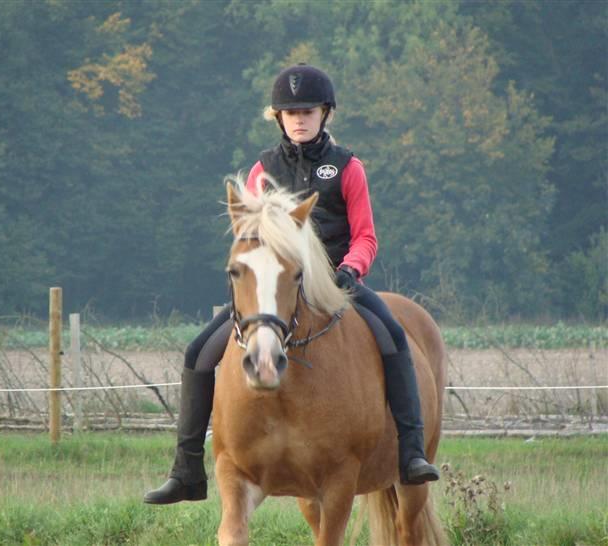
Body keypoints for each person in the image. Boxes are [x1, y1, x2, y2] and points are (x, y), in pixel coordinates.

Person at [143, 64, 439, 505]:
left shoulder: (348, 168)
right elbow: (250, 232)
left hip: (337, 283)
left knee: (395, 337)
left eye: (308, 110)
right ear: (278, 118)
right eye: (290, 112)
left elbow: (366, 236)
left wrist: (351, 269)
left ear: (325, 114)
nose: (299, 119)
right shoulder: (264, 170)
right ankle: (186, 469)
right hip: (276, 290)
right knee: (198, 351)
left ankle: (412, 453)